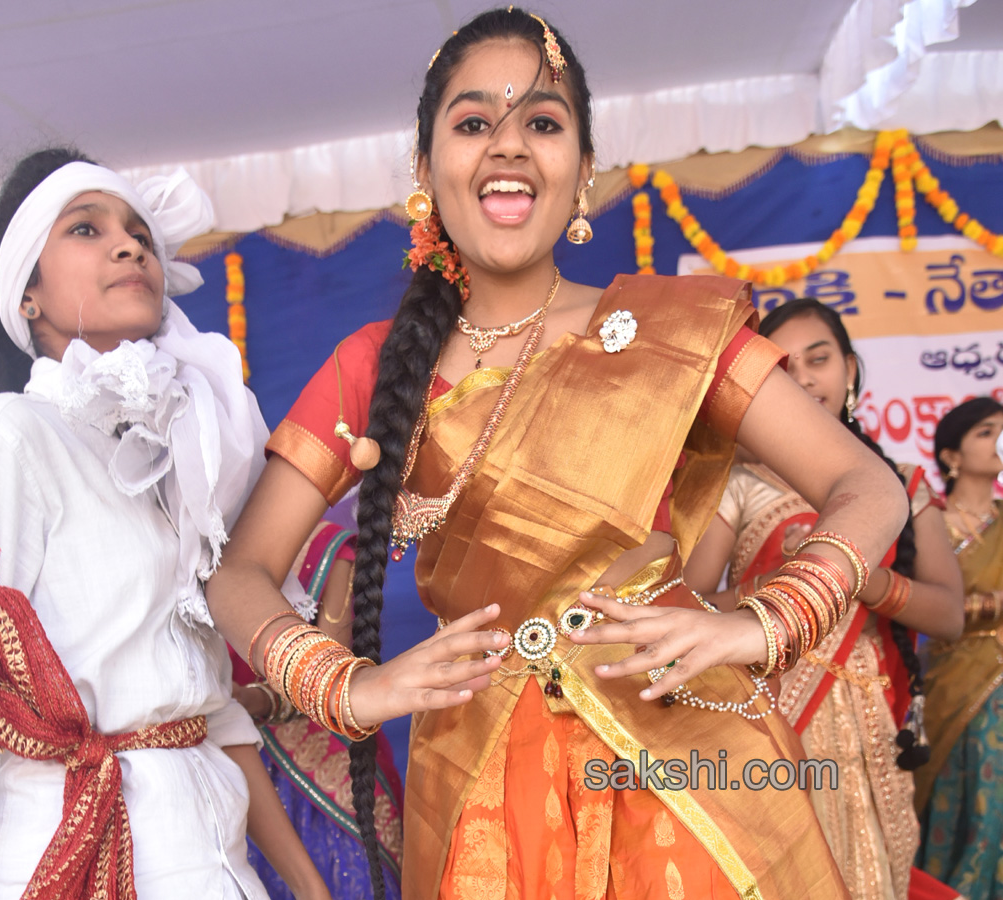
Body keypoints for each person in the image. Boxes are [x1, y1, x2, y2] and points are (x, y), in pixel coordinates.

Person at [204, 9, 911, 899]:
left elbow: (867, 485)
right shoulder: (372, 366)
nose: (508, 148)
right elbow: (239, 576)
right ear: (426, 172)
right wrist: (350, 690)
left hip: (684, 765)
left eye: (542, 123)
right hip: (485, 786)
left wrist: (761, 622)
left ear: (581, 171)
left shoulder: (671, 330)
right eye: (472, 124)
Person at [0, 149, 330, 900]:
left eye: (140, 234)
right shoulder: (3, 436)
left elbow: (203, 708)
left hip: (219, 869)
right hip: (74, 864)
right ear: (28, 297)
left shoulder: (174, 456)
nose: (129, 245)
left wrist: (306, 887)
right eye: (87, 230)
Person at [684, 298, 964, 900]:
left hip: (872, 722)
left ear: (851, 371)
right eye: (784, 367)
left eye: (821, 359)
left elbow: (949, 616)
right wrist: (777, 587)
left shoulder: (902, 485)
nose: (807, 378)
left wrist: (856, 576)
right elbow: (686, 605)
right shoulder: (738, 486)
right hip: (770, 717)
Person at [228, 519, 405, 900]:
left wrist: (244, 700)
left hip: (323, 781)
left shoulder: (330, 551)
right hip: (225, 767)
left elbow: (327, 685)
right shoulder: (192, 548)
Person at [916, 396, 1003, 900]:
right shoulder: (934, 526)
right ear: (952, 455)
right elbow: (930, 608)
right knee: (974, 806)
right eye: (987, 432)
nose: (998, 443)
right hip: (956, 686)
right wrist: (993, 605)